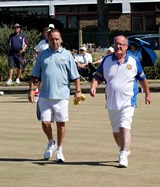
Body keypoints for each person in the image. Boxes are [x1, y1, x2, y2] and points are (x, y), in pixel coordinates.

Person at [90, 35, 151, 168]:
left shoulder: (134, 61)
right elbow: (97, 77)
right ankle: (124, 148)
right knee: (116, 132)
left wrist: (147, 93)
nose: (118, 46)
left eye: (121, 44)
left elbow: (142, 79)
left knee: (125, 126)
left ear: (126, 47)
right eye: (116, 44)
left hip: (128, 100)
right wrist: (94, 86)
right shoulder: (106, 60)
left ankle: (123, 155)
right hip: (112, 101)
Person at [28, 29, 82, 162]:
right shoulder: (42, 55)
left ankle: (60, 150)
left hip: (62, 95)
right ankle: (51, 142)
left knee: (60, 123)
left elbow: (75, 76)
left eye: (57, 39)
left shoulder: (67, 55)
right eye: (52, 39)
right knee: (45, 122)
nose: (55, 41)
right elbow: (34, 74)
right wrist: (31, 89)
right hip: (45, 94)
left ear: (61, 39)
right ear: (48, 40)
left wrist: (78, 91)